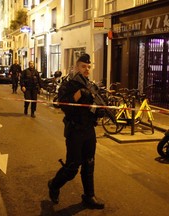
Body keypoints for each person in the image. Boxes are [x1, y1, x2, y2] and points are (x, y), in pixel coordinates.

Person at [48, 53, 105, 209]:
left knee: (89, 164)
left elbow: (94, 106)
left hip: (89, 130)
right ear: (75, 67)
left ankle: (89, 196)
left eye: (88, 66)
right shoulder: (68, 84)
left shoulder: (90, 84)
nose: (86, 69)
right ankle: (54, 185)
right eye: (83, 66)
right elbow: (62, 105)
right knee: (73, 167)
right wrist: (78, 95)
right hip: (75, 130)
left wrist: (99, 111)